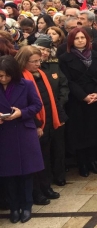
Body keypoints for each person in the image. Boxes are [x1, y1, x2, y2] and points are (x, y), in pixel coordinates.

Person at [14, 46, 66, 206]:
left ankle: (46, 187)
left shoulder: (42, 74)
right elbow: (26, 105)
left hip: (49, 121)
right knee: (35, 160)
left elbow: (50, 98)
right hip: (33, 125)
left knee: (46, 157)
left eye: (39, 60)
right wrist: (37, 125)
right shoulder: (21, 79)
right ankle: (37, 192)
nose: (38, 64)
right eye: (34, 61)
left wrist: (59, 117)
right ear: (24, 61)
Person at [0, 55, 43, 224]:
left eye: (6, 76)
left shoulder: (26, 85)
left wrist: (22, 113)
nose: (3, 79)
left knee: (26, 173)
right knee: (9, 174)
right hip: (4, 134)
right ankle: (14, 207)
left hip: (24, 132)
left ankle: (26, 206)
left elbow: (36, 105)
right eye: (0, 76)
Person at [59, 27, 97, 177]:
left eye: (83, 38)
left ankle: (92, 161)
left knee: (94, 130)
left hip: (95, 97)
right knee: (80, 133)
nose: (80, 40)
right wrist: (83, 96)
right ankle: (82, 164)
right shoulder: (65, 58)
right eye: (77, 38)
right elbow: (69, 81)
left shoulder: (96, 55)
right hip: (78, 100)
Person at [33, 36, 69, 188]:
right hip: (40, 115)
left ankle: (60, 175)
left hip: (57, 111)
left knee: (59, 146)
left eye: (47, 50)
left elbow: (63, 85)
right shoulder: (32, 70)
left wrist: (59, 103)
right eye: (41, 49)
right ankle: (45, 180)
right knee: (45, 149)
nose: (44, 53)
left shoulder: (54, 66)